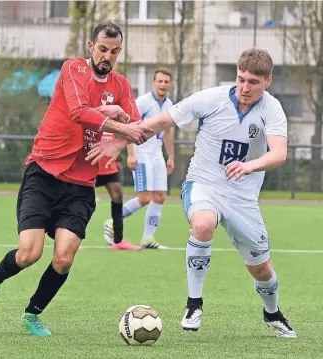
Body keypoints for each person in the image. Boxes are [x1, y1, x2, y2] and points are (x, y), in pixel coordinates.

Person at [87, 48, 296, 338]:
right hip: (203, 184)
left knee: (262, 270)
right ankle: (194, 303)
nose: (245, 87)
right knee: (203, 223)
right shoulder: (211, 98)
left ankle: (272, 313)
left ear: (268, 81)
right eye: (241, 79)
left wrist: (249, 166)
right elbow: (162, 121)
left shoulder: (272, 109)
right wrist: (121, 141)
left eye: (253, 82)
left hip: (243, 198)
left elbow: (279, 154)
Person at [0, 21, 151, 336]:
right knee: (30, 253)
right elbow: (79, 112)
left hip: (81, 186)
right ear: (90, 46)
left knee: (64, 257)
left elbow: (140, 127)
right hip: (44, 172)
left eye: (114, 51)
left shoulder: (121, 85)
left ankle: (32, 313)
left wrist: (118, 141)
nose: (107, 56)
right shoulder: (73, 70)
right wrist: (120, 125)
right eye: (102, 49)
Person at [104, 68, 175, 249]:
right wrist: (131, 154)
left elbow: (168, 132)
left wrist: (171, 156)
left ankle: (147, 239)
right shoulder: (143, 102)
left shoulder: (170, 105)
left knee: (159, 196)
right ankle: (113, 222)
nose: (163, 85)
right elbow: (129, 126)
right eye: (160, 81)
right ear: (154, 82)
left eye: (166, 82)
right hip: (141, 154)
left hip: (157, 155)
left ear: (170, 84)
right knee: (144, 198)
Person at [96, 132, 141, 250]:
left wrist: (119, 157)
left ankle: (118, 240)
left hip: (109, 164)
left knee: (118, 195)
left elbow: (118, 137)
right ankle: (73, 238)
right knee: (83, 202)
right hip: (91, 163)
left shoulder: (114, 118)